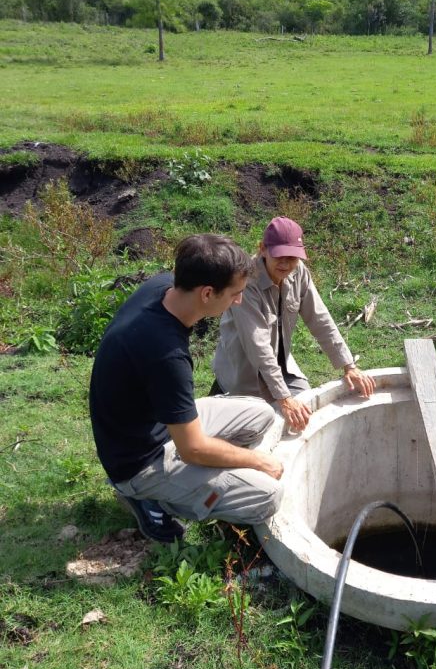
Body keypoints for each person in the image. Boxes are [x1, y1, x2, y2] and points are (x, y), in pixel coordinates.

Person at [89, 234, 284, 543]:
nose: (239, 301)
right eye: (235, 294)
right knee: (267, 497)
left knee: (261, 413)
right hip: (139, 462)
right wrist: (258, 462)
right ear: (207, 293)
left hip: (156, 424)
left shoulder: (164, 287)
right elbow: (191, 448)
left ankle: (207, 480)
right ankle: (151, 498)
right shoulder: (165, 355)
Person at [211, 216, 375, 431]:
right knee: (250, 431)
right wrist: (284, 398)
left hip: (282, 365)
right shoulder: (246, 283)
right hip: (243, 374)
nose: (286, 264)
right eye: (279, 256)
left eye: (293, 257)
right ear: (262, 249)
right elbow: (258, 345)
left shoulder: (299, 273)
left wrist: (349, 366)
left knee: (307, 414)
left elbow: (320, 319)